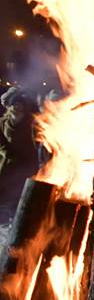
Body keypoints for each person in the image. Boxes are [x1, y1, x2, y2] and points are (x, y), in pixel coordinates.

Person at [0, 88, 37, 224]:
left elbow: (34, 144)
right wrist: (10, 155)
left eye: (20, 105)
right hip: (7, 164)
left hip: (25, 166)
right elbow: (1, 144)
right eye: (15, 104)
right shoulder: (3, 122)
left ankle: (15, 221)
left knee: (19, 195)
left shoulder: (30, 124)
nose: (17, 107)